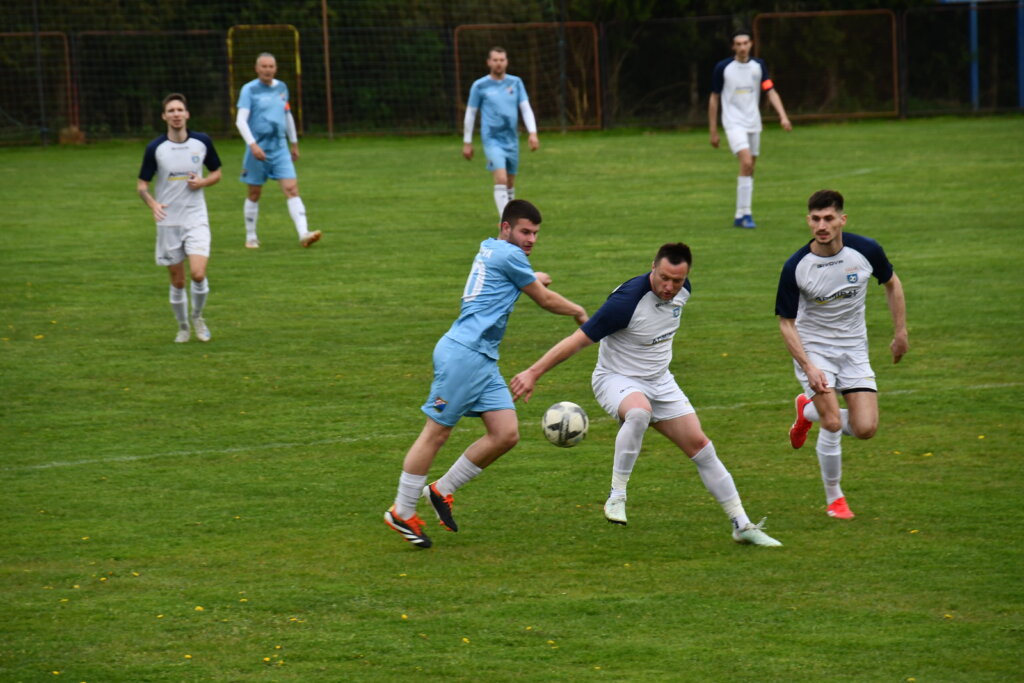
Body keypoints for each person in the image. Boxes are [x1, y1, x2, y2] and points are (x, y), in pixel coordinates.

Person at [511, 243, 782, 547]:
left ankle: (741, 525)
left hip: (660, 381)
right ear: (652, 267)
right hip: (615, 378)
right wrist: (533, 372)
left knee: (702, 448)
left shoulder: (683, 291)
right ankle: (617, 495)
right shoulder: (625, 303)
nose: (669, 287)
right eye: (664, 278)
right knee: (639, 412)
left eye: (677, 280)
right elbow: (577, 340)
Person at [384, 200, 587, 549]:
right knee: (436, 433)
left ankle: (442, 490)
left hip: (482, 358)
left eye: (535, 233)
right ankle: (401, 511)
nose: (531, 239)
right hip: (464, 355)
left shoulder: (493, 249)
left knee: (506, 433)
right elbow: (544, 300)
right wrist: (579, 312)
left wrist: (532, 279)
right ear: (505, 227)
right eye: (525, 231)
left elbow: (508, 282)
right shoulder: (511, 256)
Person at [776, 190, 908, 519]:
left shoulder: (866, 250)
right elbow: (786, 324)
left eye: (828, 218)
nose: (822, 225)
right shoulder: (796, 266)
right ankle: (835, 498)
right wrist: (808, 366)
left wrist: (900, 333)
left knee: (865, 428)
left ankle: (807, 410)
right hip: (814, 349)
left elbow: (892, 283)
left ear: (842, 220)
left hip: (853, 349)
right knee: (833, 422)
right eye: (816, 219)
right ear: (808, 221)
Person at [137, 93, 222, 343]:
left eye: (179, 110)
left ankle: (197, 316)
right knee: (178, 281)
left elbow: (217, 172)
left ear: (187, 114)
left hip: (196, 217)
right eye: (171, 111)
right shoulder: (155, 148)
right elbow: (142, 186)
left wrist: (203, 182)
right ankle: (183, 326)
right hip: (168, 221)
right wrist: (153, 203)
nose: (176, 114)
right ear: (164, 116)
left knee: (198, 274)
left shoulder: (201, 142)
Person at [236, 52, 321, 249]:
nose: (268, 70)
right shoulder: (249, 90)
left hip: (280, 148)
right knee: (254, 193)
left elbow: (287, 115)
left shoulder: (282, 88)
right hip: (258, 150)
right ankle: (251, 236)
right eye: (264, 66)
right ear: (257, 69)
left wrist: (294, 142)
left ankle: (304, 234)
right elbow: (240, 121)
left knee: (292, 189)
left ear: (275, 68)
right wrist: (253, 145)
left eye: (271, 66)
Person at [708, 29, 792, 229]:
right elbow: (714, 98)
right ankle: (746, 214)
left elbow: (770, 90)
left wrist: (783, 116)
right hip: (733, 123)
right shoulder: (723, 68)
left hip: (753, 123)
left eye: (745, 43)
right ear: (733, 47)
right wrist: (713, 130)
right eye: (738, 44)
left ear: (751, 44)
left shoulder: (759, 66)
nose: (742, 47)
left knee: (750, 167)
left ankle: (740, 214)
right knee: (746, 162)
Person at [463, 46, 539, 218]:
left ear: (507, 62)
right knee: (501, 179)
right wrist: (467, 142)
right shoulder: (480, 85)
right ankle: (506, 220)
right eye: (495, 60)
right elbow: (471, 113)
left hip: (511, 139)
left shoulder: (516, 83)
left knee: (510, 183)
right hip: (492, 139)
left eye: (502, 60)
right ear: (489, 62)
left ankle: (511, 218)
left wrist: (532, 133)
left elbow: (525, 108)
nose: (498, 63)